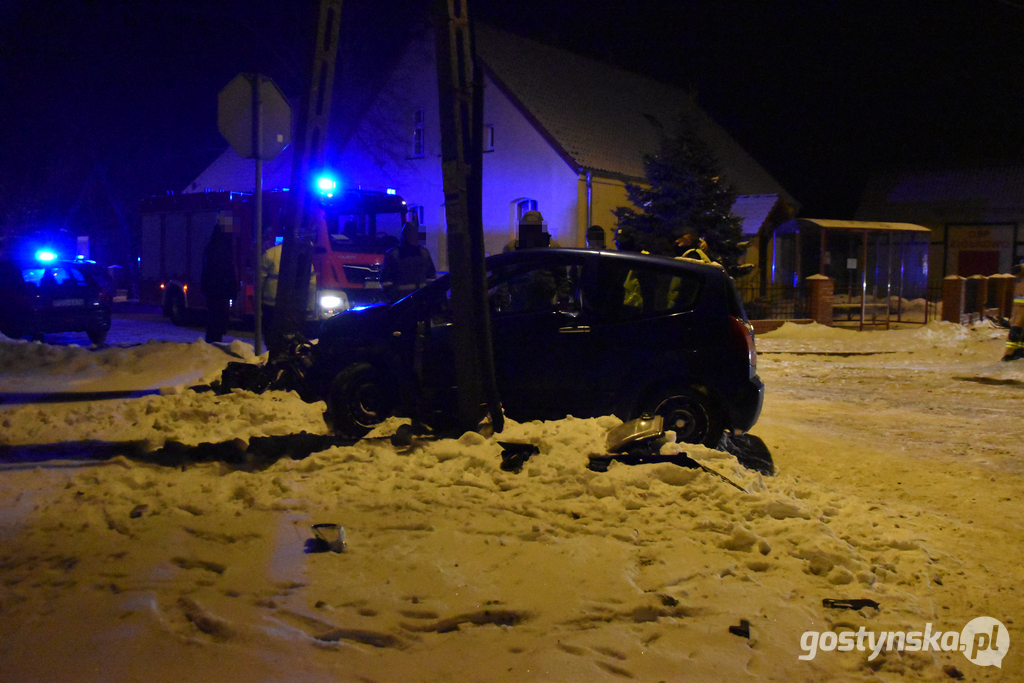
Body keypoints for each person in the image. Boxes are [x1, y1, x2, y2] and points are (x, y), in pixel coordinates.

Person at [200, 212, 238, 343]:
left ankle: (213, 342)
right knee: (218, 318)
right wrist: (231, 288)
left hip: (214, 289)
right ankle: (214, 344)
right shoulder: (221, 244)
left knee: (215, 318)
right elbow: (225, 268)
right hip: (219, 288)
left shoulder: (214, 242)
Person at [380, 218, 436, 303]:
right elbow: (386, 282)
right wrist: (397, 299)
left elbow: (431, 277)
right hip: (406, 301)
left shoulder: (424, 252)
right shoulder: (423, 252)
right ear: (406, 236)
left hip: (416, 300)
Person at [1003, 262, 1024, 361]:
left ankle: (1020, 351)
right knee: (1015, 331)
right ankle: (1009, 353)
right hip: (1021, 307)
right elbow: (1017, 270)